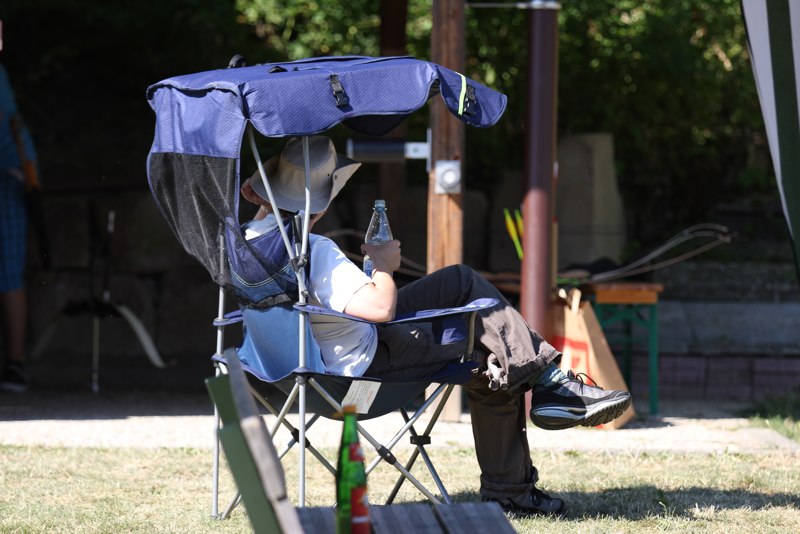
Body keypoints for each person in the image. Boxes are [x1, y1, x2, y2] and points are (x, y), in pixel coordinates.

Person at [241, 136, 632, 516]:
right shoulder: (314, 252)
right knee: (489, 363)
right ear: (324, 201)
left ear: (263, 194)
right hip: (360, 378)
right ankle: (525, 454)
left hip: (293, 378)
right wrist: (382, 266)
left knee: (459, 281)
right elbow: (381, 308)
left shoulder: (245, 248)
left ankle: (547, 384)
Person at [0, 54, 37, 393]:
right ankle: (15, 363)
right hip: (15, 174)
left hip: (9, 177)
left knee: (9, 274)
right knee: (9, 274)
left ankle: (15, 363)